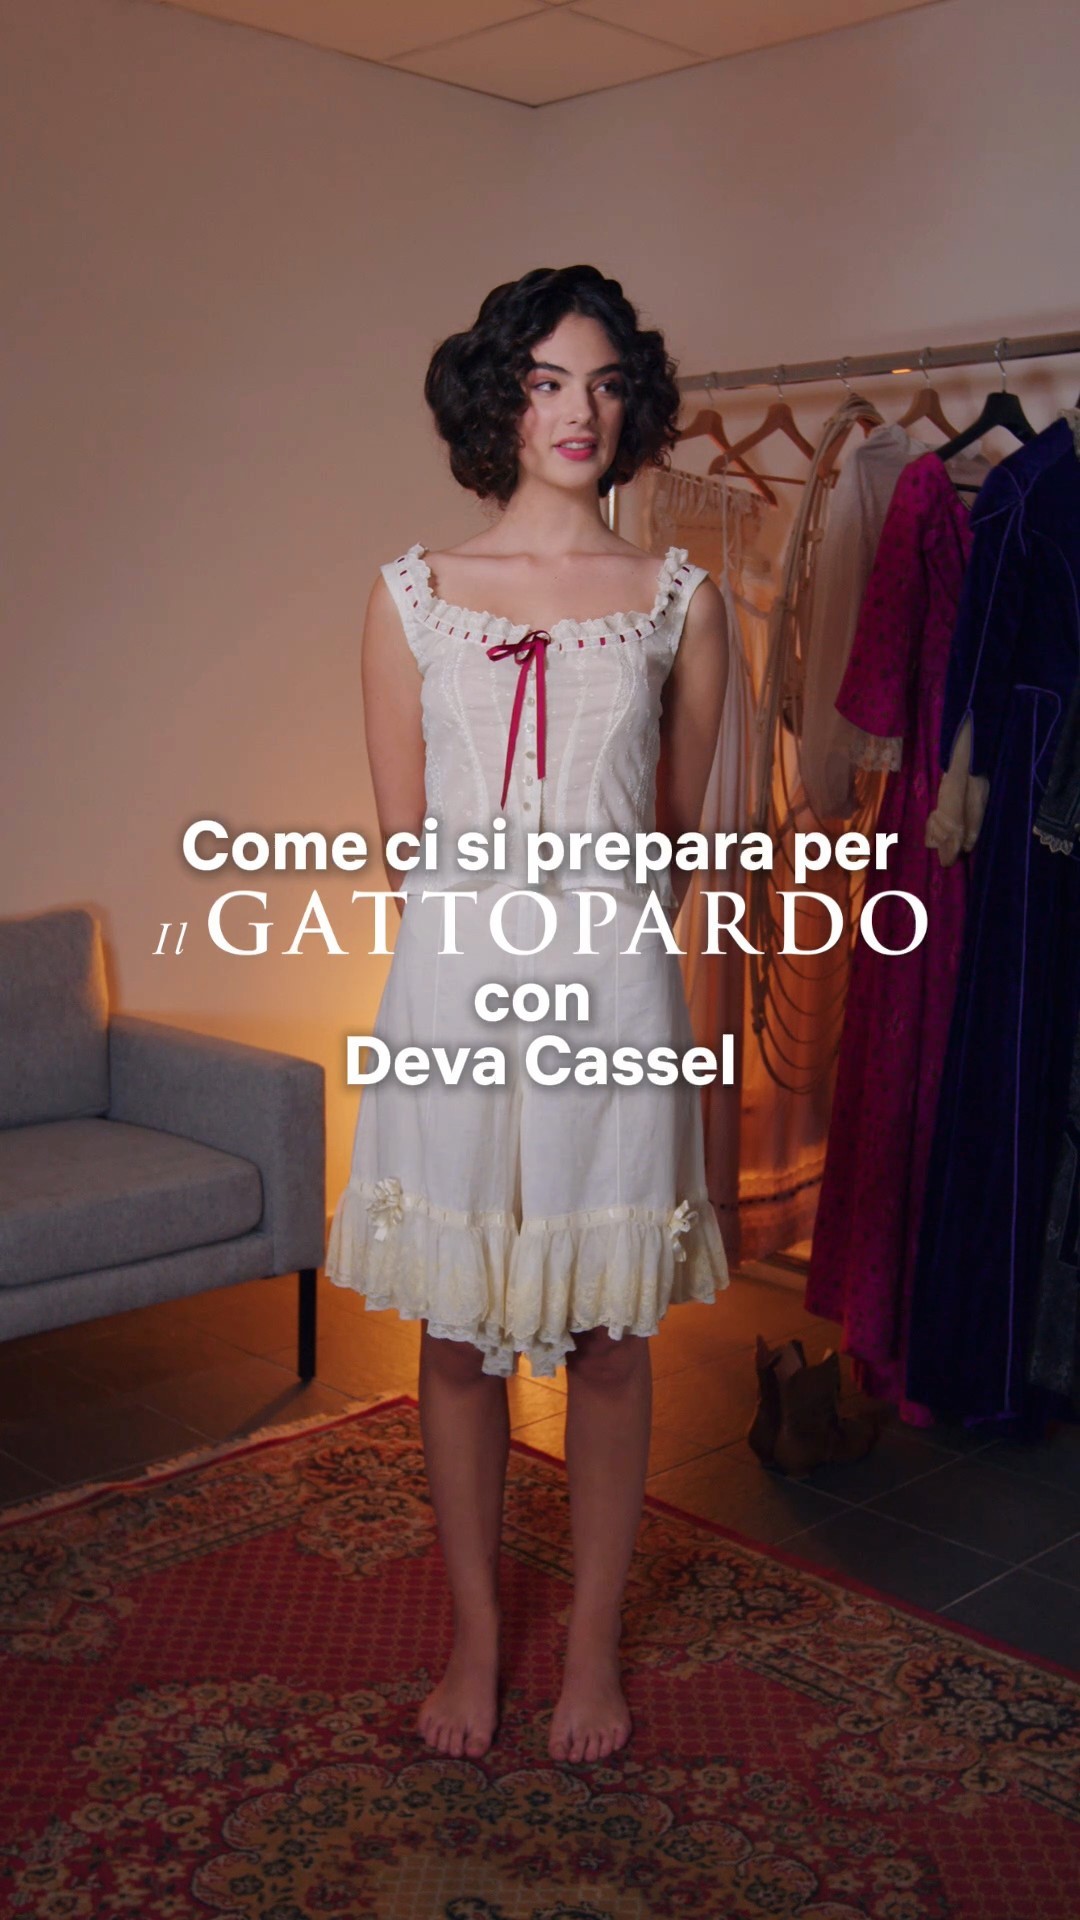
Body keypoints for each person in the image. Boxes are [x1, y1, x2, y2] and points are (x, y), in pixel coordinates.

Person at [326, 265, 730, 1768]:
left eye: (608, 383)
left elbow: (673, 839)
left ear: (636, 405)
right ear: (497, 398)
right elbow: (405, 846)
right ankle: (478, 1638)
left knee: (610, 1337)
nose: (581, 410)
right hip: (455, 994)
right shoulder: (409, 595)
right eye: (550, 380)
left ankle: (597, 1647)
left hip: (613, 994)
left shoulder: (684, 601)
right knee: (456, 1335)